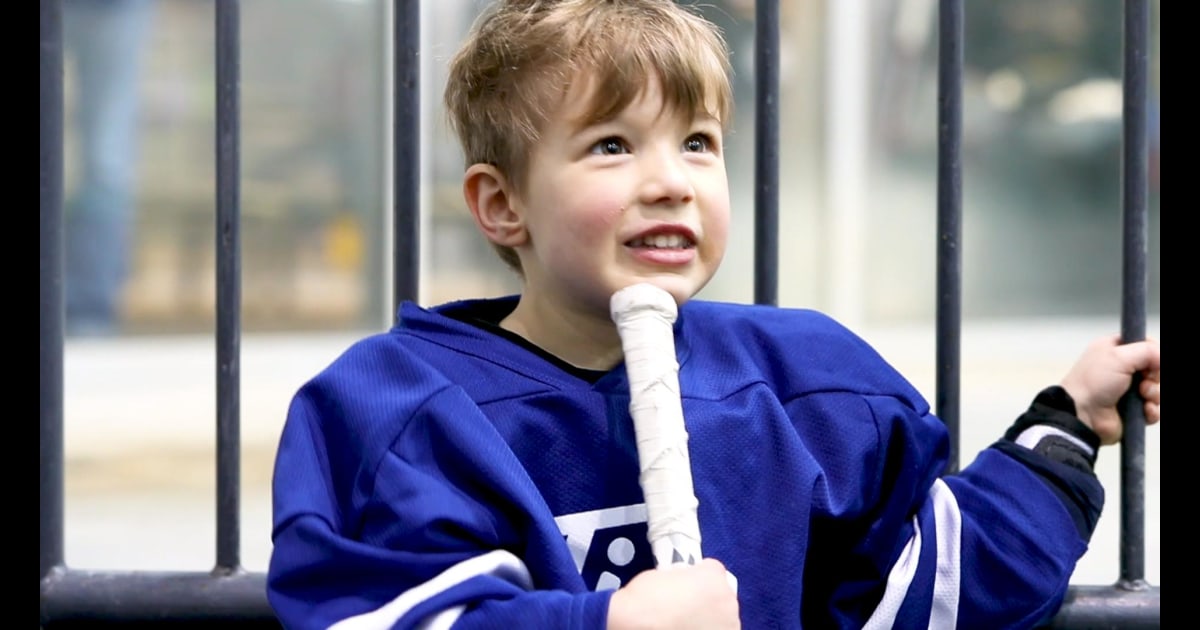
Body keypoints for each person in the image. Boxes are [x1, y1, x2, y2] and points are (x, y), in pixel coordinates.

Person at [265, 1, 1162, 628]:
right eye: (611, 145)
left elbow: (932, 593)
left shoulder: (807, 383)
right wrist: (603, 623)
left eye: (698, 142)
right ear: (503, 206)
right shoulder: (395, 412)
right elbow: (382, 613)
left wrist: (1064, 429)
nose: (671, 180)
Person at [62, 0, 155, 336]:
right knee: (106, 158)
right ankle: (89, 308)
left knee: (106, 159)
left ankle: (90, 309)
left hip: (117, 9)